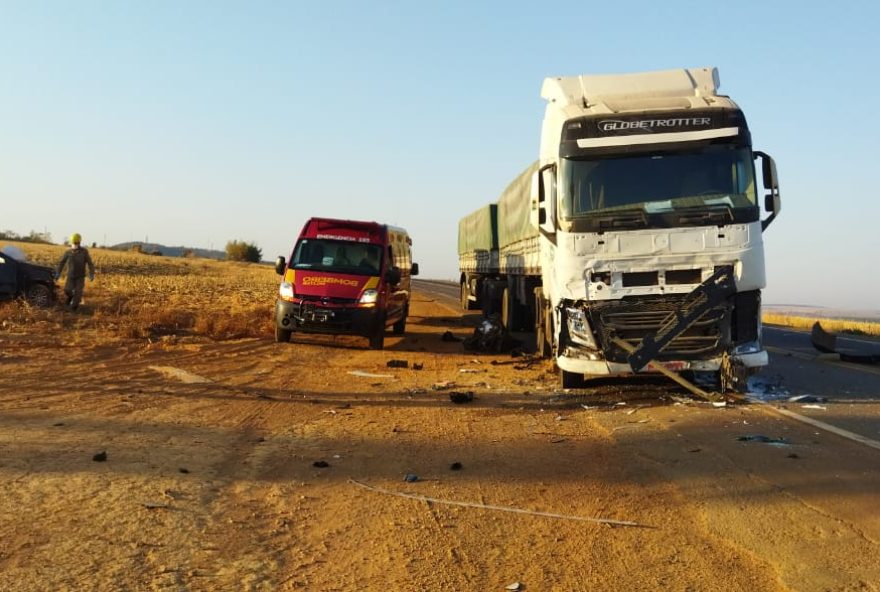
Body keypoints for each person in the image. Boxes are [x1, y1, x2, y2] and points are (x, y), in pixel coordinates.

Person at [55, 233, 95, 311]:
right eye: (74, 243)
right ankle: (70, 298)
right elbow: (62, 262)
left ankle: (73, 308)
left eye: (77, 243)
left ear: (79, 242)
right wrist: (58, 273)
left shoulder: (84, 252)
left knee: (78, 293)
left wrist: (91, 273)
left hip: (80, 277)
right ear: (71, 242)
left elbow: (90, 263)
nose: (76, 244)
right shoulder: (68, 252)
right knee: (67, 290)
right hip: (70, 276)